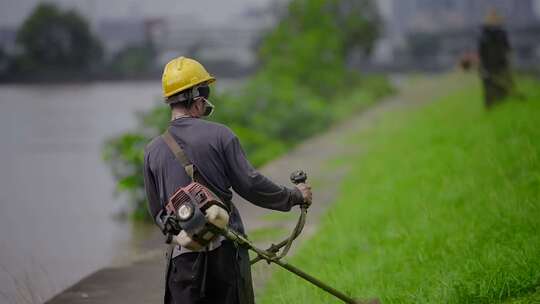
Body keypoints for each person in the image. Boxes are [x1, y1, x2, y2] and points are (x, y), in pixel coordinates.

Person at [143, 56, 312, 304]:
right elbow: (251, 185)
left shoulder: (152, 150)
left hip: (183, 260)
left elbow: (157, 212)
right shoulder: (220, 135)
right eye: (205, 91)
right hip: (225, 255)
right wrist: (295, 195)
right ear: (197, 97)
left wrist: (184, 234)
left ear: (170, 100)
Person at [478, 9, 514, 108]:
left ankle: (503, 106)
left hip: (500, 66)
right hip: (491, 67)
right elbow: (482, 53)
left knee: (502, 89)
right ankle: (495, 107)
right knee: (492, 90)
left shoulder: (500, 34)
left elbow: (507, 49)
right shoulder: (484, 36)